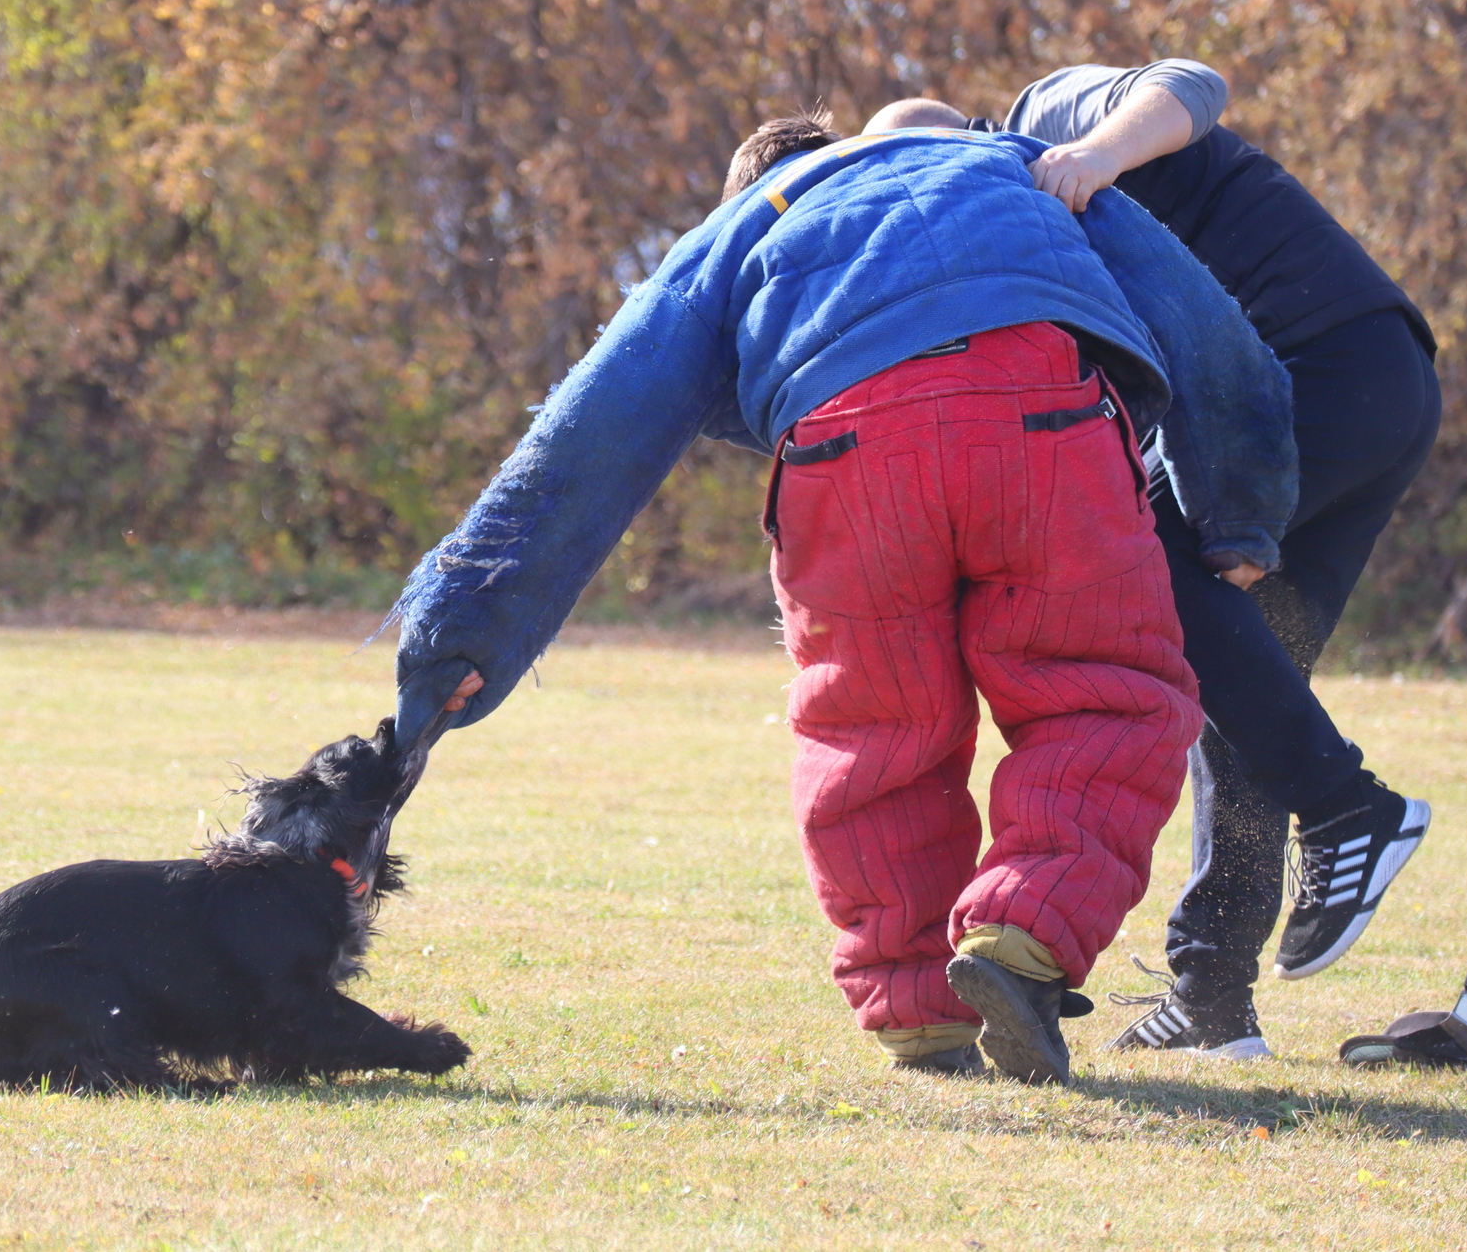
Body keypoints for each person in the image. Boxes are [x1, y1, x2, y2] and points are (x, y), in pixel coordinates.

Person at [392, 110, 1297, 1084]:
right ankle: (1018, 937)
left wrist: (463, 633)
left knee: (873, 732)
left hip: (841, 441)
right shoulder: (1010, 161)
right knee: (1098, 692)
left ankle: (919, 1014)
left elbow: (598, 417)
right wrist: (1241, 512)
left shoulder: (744, 225)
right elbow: (1200, 321)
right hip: (1038, 413)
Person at [865, 61, 1441, 1058]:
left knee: (1150, 569)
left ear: (961, 140)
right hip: (1367, 393)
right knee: (1245, 689)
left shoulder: (1045, 123)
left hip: (1319, 372)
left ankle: (1352, 811)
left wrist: (1089, 155)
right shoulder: (1004, 247)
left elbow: (1191, 83)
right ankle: (1211, 1001)